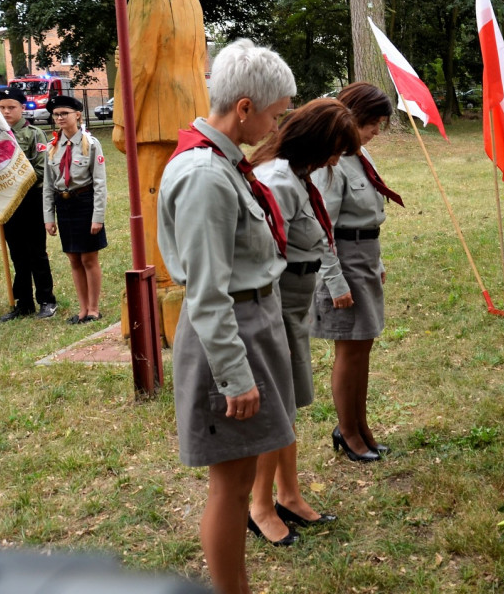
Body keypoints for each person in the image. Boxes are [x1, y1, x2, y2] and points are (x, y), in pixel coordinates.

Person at [157, 39, 296, 593]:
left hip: (249, 325)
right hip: (228, 336)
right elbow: (207, 291)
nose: (275, 124)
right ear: (243, 107)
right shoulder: (206, 177)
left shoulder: (224, 163)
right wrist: (234, 376)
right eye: (274, 113)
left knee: (239, 477)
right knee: (232, 485)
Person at [248, 98, 361, 544]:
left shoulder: (297, 175)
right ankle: (258, 507)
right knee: (276, 407)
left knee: (288, 404)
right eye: (335, 149)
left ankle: (288, 494)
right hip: (276, 301)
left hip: (295, 300)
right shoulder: (277, 179)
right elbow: (261, 254)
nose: (336, 160)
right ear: (316, 140)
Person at [113, 0, 210, 294]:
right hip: (193, 117)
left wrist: (123, 121)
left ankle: (163, 279)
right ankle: (189, 274)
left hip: (155, 121)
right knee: (189, 200)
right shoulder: (192, 1)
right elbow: (198, 58)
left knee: (152, 198)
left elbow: (139, 66)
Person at [311, 82, 402, 463]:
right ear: (351, 118)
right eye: (371, 123)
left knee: (363, 347)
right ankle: (347, 431)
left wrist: (376, 262)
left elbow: (368, 214)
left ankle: (359, 424)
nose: (376, 131)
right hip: (343, 262)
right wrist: (335, 281)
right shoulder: (330, 163)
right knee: (349, 350)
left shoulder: (358, 155)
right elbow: (322, 227)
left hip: (363, 257)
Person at [42, 96, 107, 324]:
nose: (59, 118)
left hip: (85, 203)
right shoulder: (52, 147)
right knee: (73, 259)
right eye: (56, 114)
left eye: (64, 113)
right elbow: (48, 186)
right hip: (64, 205)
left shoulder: (91, 144)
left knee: (89, 258)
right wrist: (48, 217)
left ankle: (94, 308)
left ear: (77, 115)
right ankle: (82, 309)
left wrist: (97, 217)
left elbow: (100, 184)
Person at [0, 88, 57, 321]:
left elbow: (42, 168)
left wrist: (17, 183)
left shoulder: (34, 134)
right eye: (2, 107)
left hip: (31, 199)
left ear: (22, 108)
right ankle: (24, 302)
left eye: (11, 107)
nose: (6, 111)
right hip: (7, 201)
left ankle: (46, 300)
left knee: (36, 252)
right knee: (17, 254)